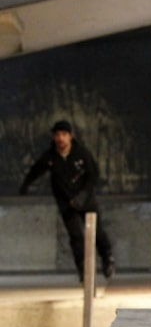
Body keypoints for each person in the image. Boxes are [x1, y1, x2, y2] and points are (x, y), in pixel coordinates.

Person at [19, 120, 115, 281]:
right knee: (76, 235)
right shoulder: (50, 157)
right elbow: (35, 170)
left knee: (97, 232)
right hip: (66, 202)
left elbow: (93, 175)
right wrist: (25, 186)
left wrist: (83, 196)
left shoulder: (81, 153)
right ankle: (82, 268)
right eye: (57, 135)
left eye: (64, 135)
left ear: (70, 136)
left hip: (86, 199)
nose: (60, 139)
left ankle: (107, 258)